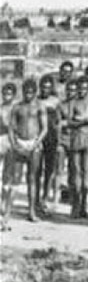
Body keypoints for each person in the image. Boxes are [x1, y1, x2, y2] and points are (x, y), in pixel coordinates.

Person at [4, 80, 47, 226]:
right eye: (26, 92)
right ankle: (7, 213)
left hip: (34, 144)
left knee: (32, 178)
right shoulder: (17, 107)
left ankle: (32, 211)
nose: (28, 95)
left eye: (31, 92)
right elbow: (11, 127)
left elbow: (44, 128)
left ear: (35, 92)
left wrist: (36, 143)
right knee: (15, 179)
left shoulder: (40, 106)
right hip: (20, 143)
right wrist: (14, 144)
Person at [67, 76, 88, 218]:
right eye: (80, 89)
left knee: (86, 172)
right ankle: (75, 206)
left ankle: (83, 207)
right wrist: (81, 123)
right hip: (76, 137)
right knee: (76, 172)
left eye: (85, 89)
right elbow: (69, 121)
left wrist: (87, 120)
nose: (82, 91)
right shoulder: (73, 102)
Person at [38, 75, 61, 208]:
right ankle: (36, 198)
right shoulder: (35, 100)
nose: (45, 90)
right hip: (39, 137)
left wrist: (58, 141)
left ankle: (45, 197)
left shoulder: (55, 101)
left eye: (48, 87)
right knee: (36, 170)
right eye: (43, 87)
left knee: (49, 170)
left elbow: (58, 122)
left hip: (51, 137)